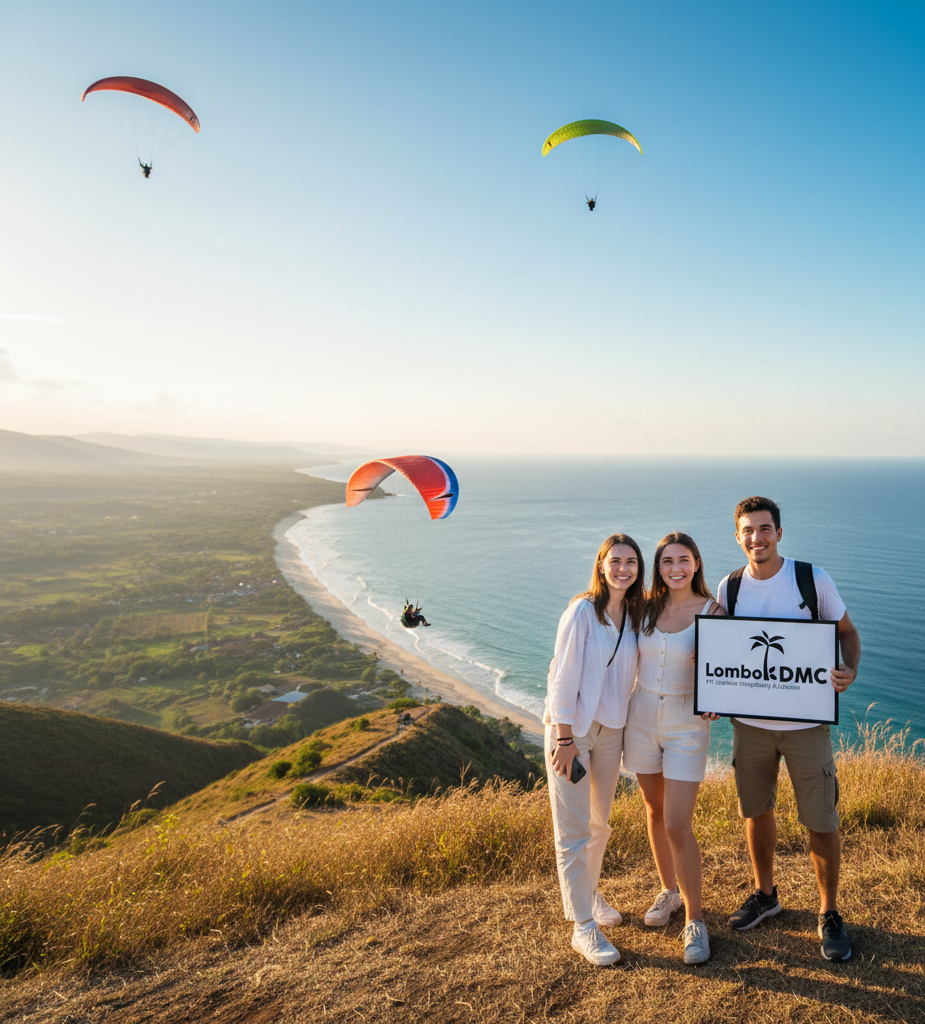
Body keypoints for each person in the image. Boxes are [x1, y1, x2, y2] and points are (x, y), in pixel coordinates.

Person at [717, 496, 861, 961]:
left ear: (779, 532)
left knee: (821, 820)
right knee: (755, 812)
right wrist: (711, 684)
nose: (756, 538)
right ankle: (766, 895)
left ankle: (829, 913)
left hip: (807, 729)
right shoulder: (730, 587)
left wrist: (848, 670)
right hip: (750, 727)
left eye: (764, 529)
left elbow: (848, 633)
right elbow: (720, 647)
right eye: (747, 531)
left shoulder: (810, 579)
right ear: (737, 536)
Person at [544, 533, 645, 966]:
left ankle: (588, 893)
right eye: (615, 560)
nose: (623, 568)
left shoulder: (638, 614)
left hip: (612, 733)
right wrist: (565, 739)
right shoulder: (582, 612)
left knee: (600, 825)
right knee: (573, 832)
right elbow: (562, 679)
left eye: (631, 562)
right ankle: (583, 928)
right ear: (601, 564)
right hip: (574, 733)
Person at [623, 532, 724, 965]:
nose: (675, 568)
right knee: (654, 810)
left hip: (687, 723)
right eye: (667, 560)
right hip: (641, 715)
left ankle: (695, 920)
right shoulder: (643, 606)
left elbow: (728, 668)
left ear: (697, 563)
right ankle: (669, 893)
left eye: (684, 559)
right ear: (658, 565)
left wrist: (720, 698)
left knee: (678, 823)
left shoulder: (714, 611)